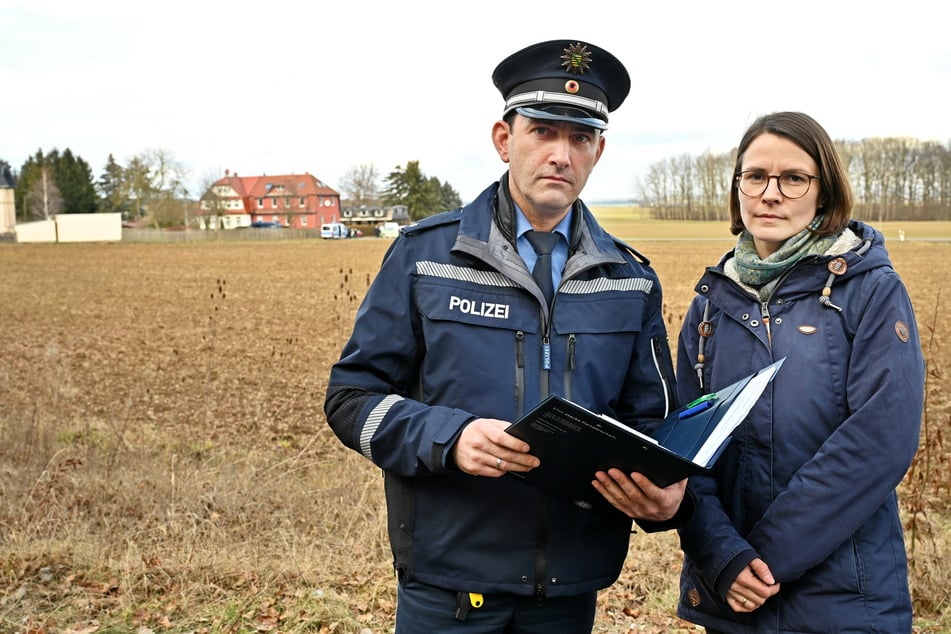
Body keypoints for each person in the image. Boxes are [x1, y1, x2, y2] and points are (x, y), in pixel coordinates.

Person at [324, 39, 691, 632]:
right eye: (543, 131)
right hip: (449, 582)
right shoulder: (425, 258)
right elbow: (351, 398)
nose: (561, 154)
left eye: (579, 138)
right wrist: (451, 436)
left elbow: (655, 425)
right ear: (504, 139)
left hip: (571, 587)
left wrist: (670, 499)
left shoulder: (631, 279)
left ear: (598, 151)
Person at [674, 111, 925, 633]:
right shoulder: (709, 309)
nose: (770, 193)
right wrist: (722, 558)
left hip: (844, 601)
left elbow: (879, 441)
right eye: (755, 176)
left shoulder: (870, 292)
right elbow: (685, 451)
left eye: (793, 178)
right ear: (737, 187)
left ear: (824, 192)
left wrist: (763, 560)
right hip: (732, 598)